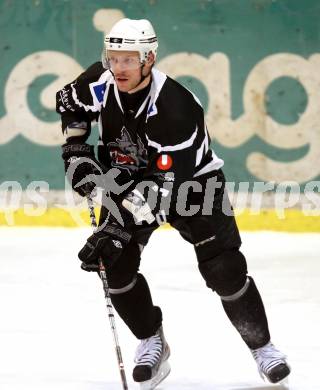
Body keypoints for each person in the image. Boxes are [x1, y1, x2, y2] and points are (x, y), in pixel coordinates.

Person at [56, 18, 290, 389]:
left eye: (129, 60)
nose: (118, 68)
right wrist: (76, 151)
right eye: (113, 58)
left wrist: (115, 227)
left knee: (224, 269)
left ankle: (264, 348)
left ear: (149, 58)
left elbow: (164, 187)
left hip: (191, 184)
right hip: (129, 178)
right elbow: (69, 105)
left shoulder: (175, 108)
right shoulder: (99, 81)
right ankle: (152, 341)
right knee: (115, 268)